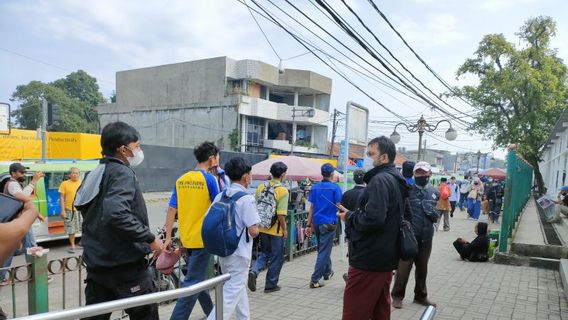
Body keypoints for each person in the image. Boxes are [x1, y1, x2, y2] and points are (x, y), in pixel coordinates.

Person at [74, 121, 162, 320]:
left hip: (97, 267)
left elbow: (84, 208)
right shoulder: (122, 172)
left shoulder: (94, 173)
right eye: (136, 146)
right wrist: (149, 238)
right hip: (126, 268)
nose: (139, 150)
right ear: (123, 149)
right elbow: (116, 214)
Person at [339, 136, 410, 320]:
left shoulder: (380, 180)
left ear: (384, 157)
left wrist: (349, 216)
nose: (367, 158)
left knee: (354, 313)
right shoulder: (396, 179)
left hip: (369, 258)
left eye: (371, 154)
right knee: (380, 311)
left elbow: (374, 219)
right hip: (384, 256)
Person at [166, 141, 221, 319]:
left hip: (187, 239)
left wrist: (168, 237)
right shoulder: (210, 179)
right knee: (192, 283)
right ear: (212, 158)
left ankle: (211, 312)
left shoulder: (181, 179)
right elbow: (218, 208)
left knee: (197, 277)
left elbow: (171, 209)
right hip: (203, 239)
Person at [206, 157, 260, 320]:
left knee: (238, 289)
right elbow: (254, 231)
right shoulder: (246, 198)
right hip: (240, 254)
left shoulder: (221, 196)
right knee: (230, 296)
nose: (251, 177)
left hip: (223, 251)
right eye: (250, 174)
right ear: (245, 176)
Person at [391, 161, 439, 309]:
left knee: (423, 267)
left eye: (424, 172)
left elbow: (437, 212)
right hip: (409, 236)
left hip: (427, 236)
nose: (421, 175)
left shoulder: (434, 192)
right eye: (418, 172)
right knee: (404, 267)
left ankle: (421, 296)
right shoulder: (406, 190)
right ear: (414, 174)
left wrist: (434, 215)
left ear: (429, 174)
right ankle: (397, 296)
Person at [248, 162, 289, 293]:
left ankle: (254, 271)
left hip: (262, 227)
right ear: (282, 174)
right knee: (277, 257)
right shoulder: (282, 190)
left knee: (265, 253)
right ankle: (271, 284)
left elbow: (255, 207)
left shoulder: (261, 187)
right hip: (275, 230)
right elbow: (281, 214)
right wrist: (285, 229)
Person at [1, 163, 44, 283]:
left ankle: (2, 277)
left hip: (18, 221)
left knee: (11, 250)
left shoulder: (13, 184)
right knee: (31, 247)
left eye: (24, 172)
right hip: (21, 222)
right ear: (13, 173)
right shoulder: (13, 184)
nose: (23, 174)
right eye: (21, 172)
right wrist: (34, 181)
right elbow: (23, 197)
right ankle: (38, 275)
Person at [305, 163, 343, 289]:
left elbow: (312, 207)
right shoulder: (335, 188)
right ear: (332, 174)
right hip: (329, 222)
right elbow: (339, 205)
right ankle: (315, 279)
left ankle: (327, 272)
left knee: (322, 249)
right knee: (324, 251)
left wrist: (308, 224)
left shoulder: (315, 187)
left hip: (317, 222)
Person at [339, 169, 366, 282]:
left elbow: (341, 214)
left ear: (354, 179)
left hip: (350, 230)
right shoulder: (368, 194)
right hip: (365, 229)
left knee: (352, 254)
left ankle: (352, 276)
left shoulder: (347, 194)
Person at [58, 167, 82, 253]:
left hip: (81, 209)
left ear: (79, 174)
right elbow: (61, 197)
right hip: (69, 210)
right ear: (69, 174)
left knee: (84, 227)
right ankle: (72, 245)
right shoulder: (64, 184)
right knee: (71, 229)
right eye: (73, 173)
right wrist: (63, 210)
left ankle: (84, 242)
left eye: (77, 173)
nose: (75, 174)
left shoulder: (82, 183)